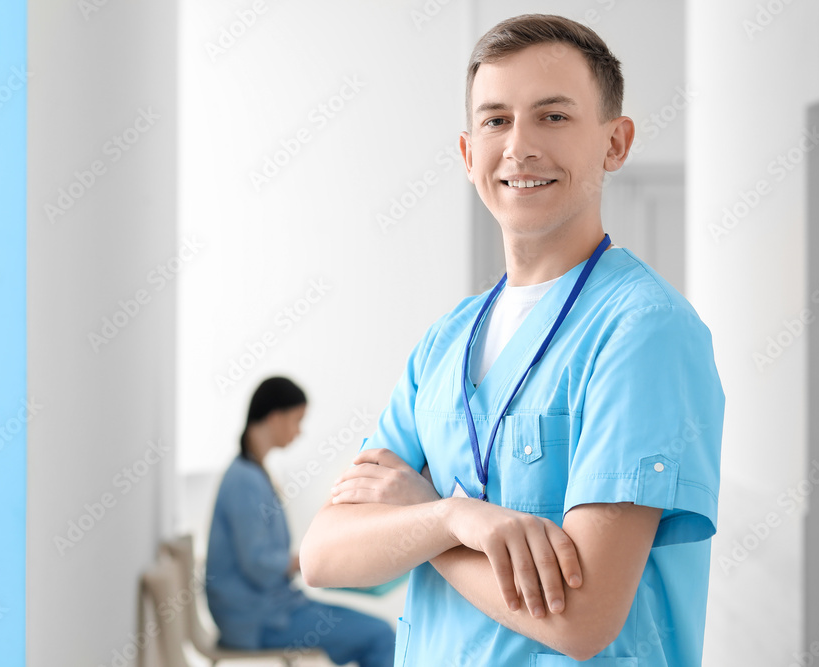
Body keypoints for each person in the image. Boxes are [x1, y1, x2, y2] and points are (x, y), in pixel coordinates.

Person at [300, 14, 724, 667]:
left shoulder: (642, 332)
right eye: (496, 120)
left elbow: (583, 620)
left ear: (616, 143)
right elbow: (327, 553)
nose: (519, 146)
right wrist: (454, 519)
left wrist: (429, 514)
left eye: (553, 117)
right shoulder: (446, 343)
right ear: (469, 155)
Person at [206, 376, 395, 666]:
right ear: (275, 417)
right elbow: (258, 564)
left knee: (375, 631)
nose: (299, 432)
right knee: (381, 635)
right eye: (297, 420)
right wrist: (310, 559)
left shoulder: (250, 473)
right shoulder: (245, 480)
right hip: (259, 620)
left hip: (269, 610)